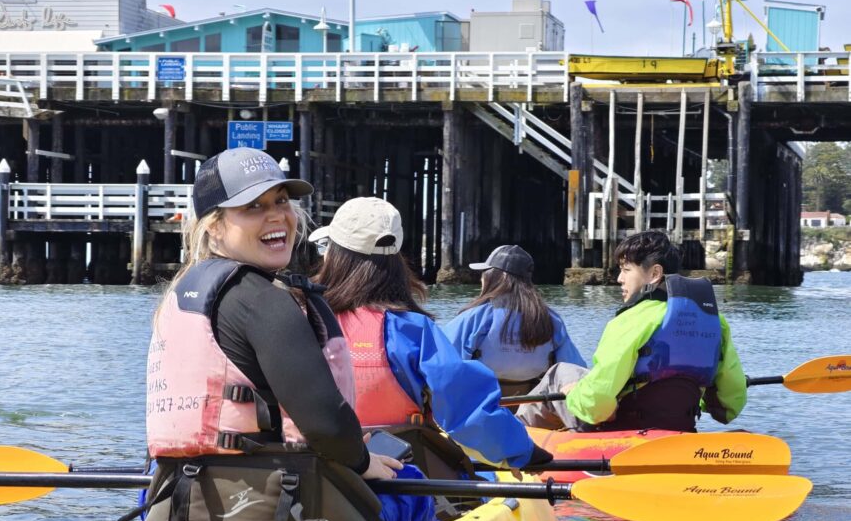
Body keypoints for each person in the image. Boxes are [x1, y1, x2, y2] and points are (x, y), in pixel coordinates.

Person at [141, 148, 415, 521]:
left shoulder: (183, 294)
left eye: (281, 201)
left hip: (177, 499)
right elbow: (324, 422)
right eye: (253, 206)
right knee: (416, 496)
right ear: (214, 226)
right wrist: (362, 459)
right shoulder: (262, 300)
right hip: (270, 502)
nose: (276, 216)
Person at [310, 197, 553, 470]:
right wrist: (522, 451)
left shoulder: (300, 318)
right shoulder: (412, 329)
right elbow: (465, 409)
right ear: (396, 261)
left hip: (317, 472)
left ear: (333, 255)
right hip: (401, 471)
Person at [517, 230, 747, 433]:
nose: (619, 279)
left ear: (655, 273)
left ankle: (514, 449)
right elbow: (730, 405)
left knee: (560, 373)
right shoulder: (716, 321)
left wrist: (572, 392)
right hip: (681, 425)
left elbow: (596, 407)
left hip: (622, 428)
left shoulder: (631, 321)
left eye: (626, 270)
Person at [443, 244, 586, 397]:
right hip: (531, 405)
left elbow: (442, 364)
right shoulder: (551, 320)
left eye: (485, 272)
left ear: (497, 277)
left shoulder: (474, 318)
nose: (481, 278)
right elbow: (574, 369)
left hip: (479, 405)